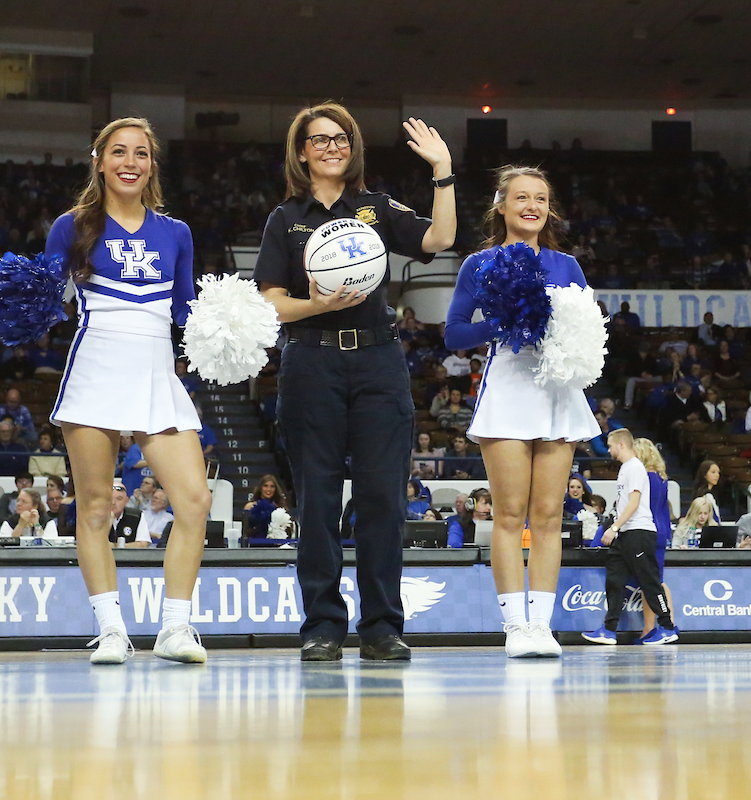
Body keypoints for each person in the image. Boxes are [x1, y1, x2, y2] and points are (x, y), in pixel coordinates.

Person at [254, 103, 455, 663]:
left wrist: (442, 171)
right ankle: (322, 625)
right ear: (301, 151)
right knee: (316, 501)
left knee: (382, 501)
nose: (332, 146)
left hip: (377, 365)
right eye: (320, 140)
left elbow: (440, 238)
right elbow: (270, 302)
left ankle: (382, 626)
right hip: (311, 364)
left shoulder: (375, 207)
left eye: (341, 138)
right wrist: (314, 303)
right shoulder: (284, 218)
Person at [44, 117, 213, 665]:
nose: (130, 162)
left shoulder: (176, 233)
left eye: (141, 153)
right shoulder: (71, 226)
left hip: (154, 371)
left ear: (152, 165)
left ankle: (175, 628)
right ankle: (112, 629)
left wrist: (227, 328)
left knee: (194, 500)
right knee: (94, 507)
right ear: (99, 161)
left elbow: (185, 310)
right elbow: (45, 299)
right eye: (119, 152)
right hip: (95, 365)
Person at [582, 429, 678, 645]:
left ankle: (668, 628)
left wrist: (613, 528)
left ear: (621, 445)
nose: (608, 450)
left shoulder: (635, 467)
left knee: (650, 582)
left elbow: (633, 504)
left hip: (639, 532)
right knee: (615, 580)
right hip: (626, 533)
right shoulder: (627, 468)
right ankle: (608, 630)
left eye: (610, 445)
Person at [632, 438, 675, 640]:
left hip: (648, 531)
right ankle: (662, 627)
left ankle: (656, 628)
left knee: (651, 583)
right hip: (662, 530)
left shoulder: (644, 478)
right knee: (656, 581)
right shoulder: (661, 478)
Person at [244, 474, 290, 539]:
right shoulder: (250, 506)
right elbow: (245, 532)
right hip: (255, 544)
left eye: (272, 486)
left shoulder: (280, 507)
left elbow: (287, 531)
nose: (269, 489)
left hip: (275, 545)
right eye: (265, 486)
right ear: (260, 488)